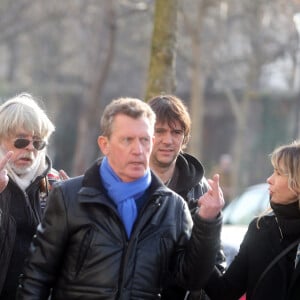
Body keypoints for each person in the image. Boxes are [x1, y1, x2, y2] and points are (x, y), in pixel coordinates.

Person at [17, 97, 224, 300]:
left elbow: (192, 280)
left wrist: (207, 222)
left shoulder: (174, 207)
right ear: (104, 144)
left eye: (144, 140)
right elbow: (37, 276)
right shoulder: (68, 196)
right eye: (127, 140)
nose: (137, 150)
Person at [148, 94, 226, 300]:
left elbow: (215, 263)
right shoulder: (124, 178)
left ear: (185, 138)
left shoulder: (200, 189)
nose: (168, 140)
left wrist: (209, 220)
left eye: (176, 132)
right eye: (160, 131)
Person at [204, 140, 300, 300]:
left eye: (278, 172)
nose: (269, 179)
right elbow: (223, 292)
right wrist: (204, 230)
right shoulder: (260, 229)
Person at [0, 93, 66, 300]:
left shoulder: (51, 184)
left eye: (37, 143)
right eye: (21, 141)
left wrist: (73, 211)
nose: (30, 148)